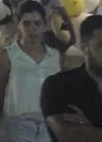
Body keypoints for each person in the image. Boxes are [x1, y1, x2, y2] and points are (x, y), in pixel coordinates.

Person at [0, 0, 60, 142]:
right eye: (26, 23)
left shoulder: (54, 57)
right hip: (17, 125)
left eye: (37, 23)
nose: (33, 29)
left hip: (47, 126)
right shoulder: (8, 55)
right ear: (18, 24)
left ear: (45, 25)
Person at [40, 13, 102, 142]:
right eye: (101, 46)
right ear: (84, 48)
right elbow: (70, 135)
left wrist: (89, 129)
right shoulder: (59, 85)